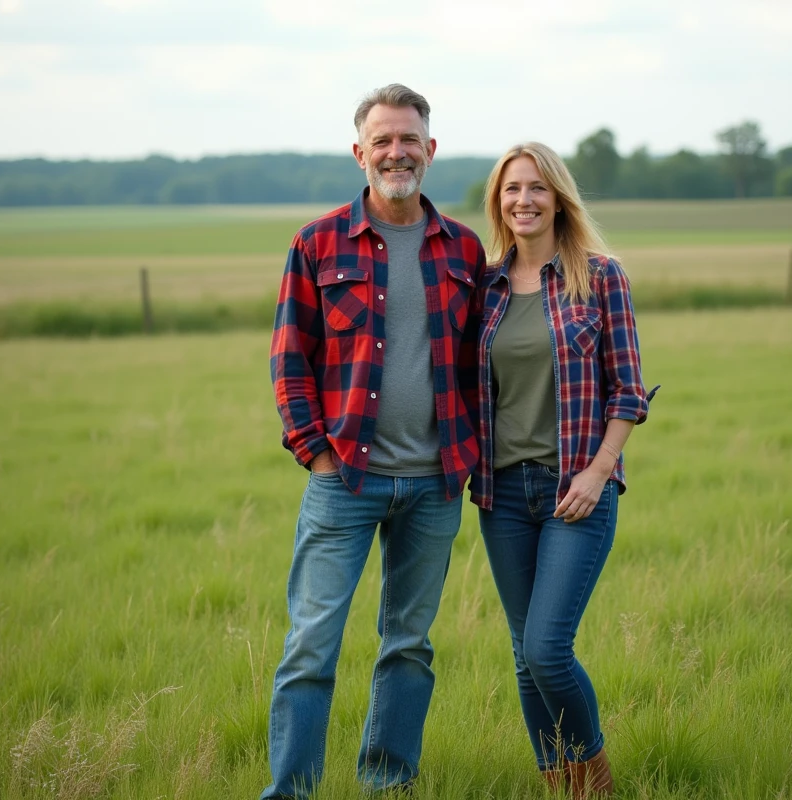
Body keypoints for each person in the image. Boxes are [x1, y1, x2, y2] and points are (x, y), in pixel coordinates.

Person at [264, 84, 486, 799]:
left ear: (431, 149)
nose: (397, 152)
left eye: (409, 139)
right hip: (345, 481)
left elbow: (479, 363)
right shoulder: (317, 242)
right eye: (382, 140)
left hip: (434, 483)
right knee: (311, 646)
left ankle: (387, 783)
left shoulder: (465, 248)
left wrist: (469, 458)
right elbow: (289, 358)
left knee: (409, 647)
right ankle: (291, 791)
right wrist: (317, 454)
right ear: (359, 152)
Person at [470, 142, 653, 797]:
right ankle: (560, 787)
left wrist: (599, 472)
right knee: (525, 658)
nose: (524, 200)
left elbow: (628, 391)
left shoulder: (600, 277)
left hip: (576, 489)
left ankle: (595, 783)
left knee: (547, 648)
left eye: (537, 188)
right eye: (512, 189)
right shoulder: (484, 287)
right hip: (501, 494)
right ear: (498, 201)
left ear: (559, 198)